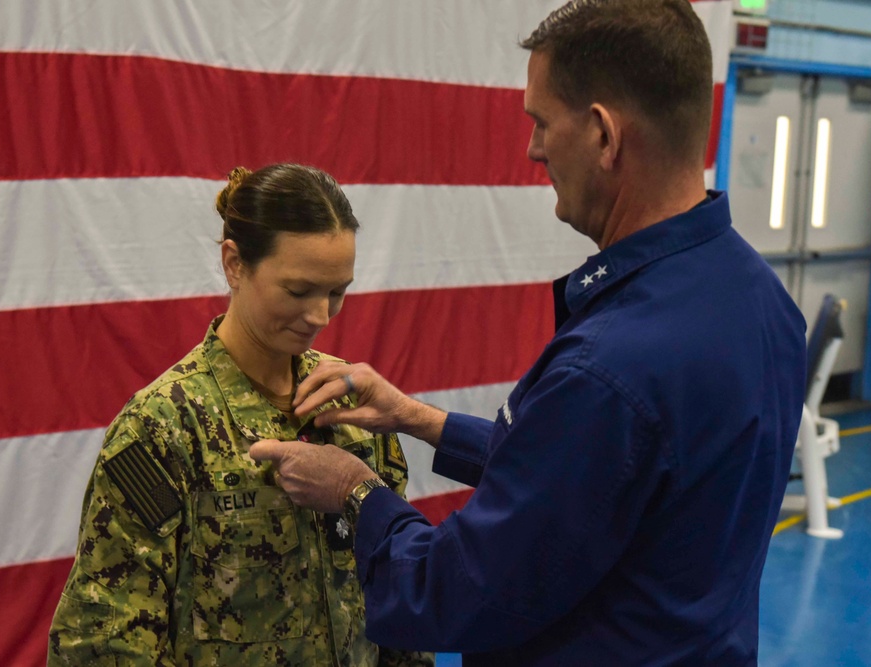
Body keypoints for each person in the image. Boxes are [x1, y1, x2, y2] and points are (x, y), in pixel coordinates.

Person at [250, 0, 807, 664]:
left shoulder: (610, 369)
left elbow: (454, 594)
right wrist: (420, 418)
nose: (532, 147)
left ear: (603, 134)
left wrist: (355, 491)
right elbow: (600, 477)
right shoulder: (761, 301)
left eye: (542, 122)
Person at [48, 164, 433, 666]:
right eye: (298, 291)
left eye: (336, 291)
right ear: (234, 264)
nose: (320, 315)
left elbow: (396, 598)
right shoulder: (163, 427)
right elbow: (103, 644)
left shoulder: (353, 407)